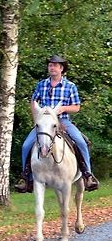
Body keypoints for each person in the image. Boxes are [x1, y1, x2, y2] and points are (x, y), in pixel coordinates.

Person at [15, 55, 99, 193]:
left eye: (55, 65)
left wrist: (64, 109)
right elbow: (33, 101)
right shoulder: (41, 84)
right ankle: (26, 178)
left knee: (81, 142)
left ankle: (87, 175)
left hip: (63, 121)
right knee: (26, 146)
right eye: (50, 65)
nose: (52, 68)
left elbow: (76, 107)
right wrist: (36, 119)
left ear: (61, 69)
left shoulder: (70, 86)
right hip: (44, 123)